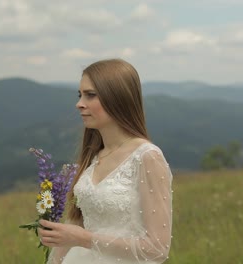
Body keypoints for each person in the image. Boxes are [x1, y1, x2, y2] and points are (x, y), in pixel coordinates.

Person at [38, 58, 173, 264]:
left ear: (118, 98)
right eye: (80, 95)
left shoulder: (147, 157)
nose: (79, 104)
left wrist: (84, 239)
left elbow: (157, 249)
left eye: (90, 95)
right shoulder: (94, 156)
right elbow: (77, 221)